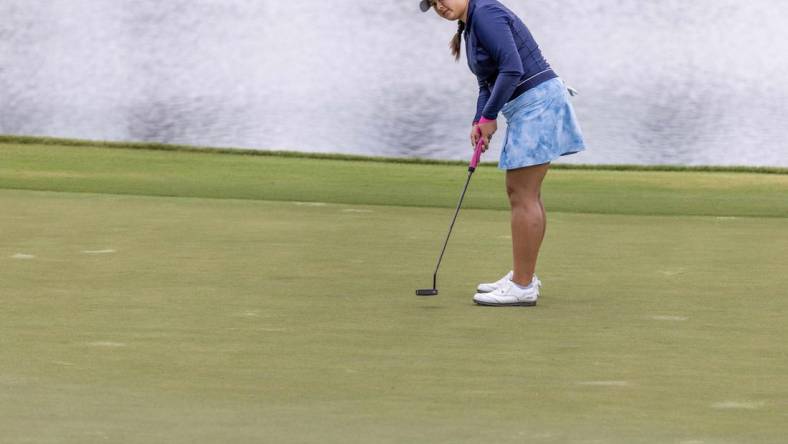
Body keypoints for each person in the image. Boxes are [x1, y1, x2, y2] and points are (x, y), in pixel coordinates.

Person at [419, 0, 586, 306]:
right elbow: (487, 82)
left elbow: (512, 69)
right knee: (523, 193)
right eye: (432, 3)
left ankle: (522, 286)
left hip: (538, 105)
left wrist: (490, 117)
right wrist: (479, 118)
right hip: (529, 106)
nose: (439, 5)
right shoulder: (470, 26)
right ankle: (523, 277)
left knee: (522, 194)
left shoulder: (486, 13)